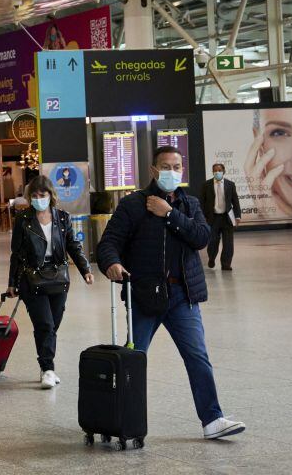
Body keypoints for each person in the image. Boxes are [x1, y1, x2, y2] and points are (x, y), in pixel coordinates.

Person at [96, 146, 246, 441]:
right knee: (132, 361)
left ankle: (212, 419)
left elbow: (202, 237)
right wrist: (111, 263)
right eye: (166, 166)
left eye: (177, 166)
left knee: (197, 357)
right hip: (144, 296)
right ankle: (122, 421)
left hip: (182, 297)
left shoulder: (189, 204)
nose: (172, 171)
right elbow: (108, 243)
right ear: (153, 170)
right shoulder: (133, 205)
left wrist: (169, 214)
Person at [7, 176, 92, 389]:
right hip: (31, 278)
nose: (38, 199)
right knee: (44, 324)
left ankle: (46, 365)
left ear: (50, 195)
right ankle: (47, 368)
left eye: (42, 195)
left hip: (57, 278)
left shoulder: (62, 218)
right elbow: (16, 253)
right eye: (34, 196)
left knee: (53, 324)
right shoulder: (23, 218)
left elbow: (73, 245)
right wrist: (12, 283)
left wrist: (85, 270)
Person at [201, 164, 242, 271]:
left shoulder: (230, 184)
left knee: (228, 243)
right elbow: (202, 202)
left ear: (224, 171)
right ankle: (211, 258)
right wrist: (202, 216)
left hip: (227, 217)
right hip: (212, 218)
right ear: (212, 172)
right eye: (215, 170)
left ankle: (226, 264)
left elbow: (235, 202)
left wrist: (238, 216)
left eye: (219, 170)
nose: (217, 172)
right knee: (213, 241)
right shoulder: (206, 185)